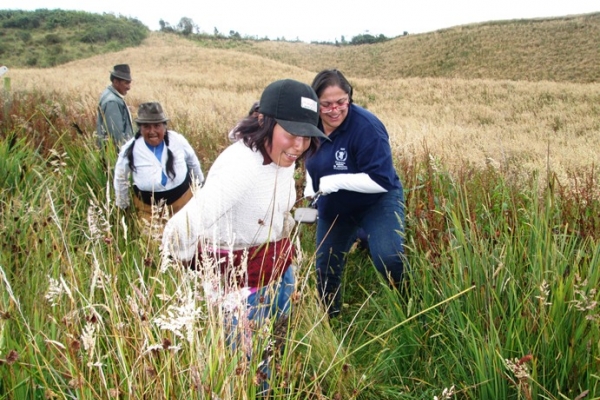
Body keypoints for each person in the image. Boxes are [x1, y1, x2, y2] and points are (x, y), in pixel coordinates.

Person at [161, 79, 326, 350]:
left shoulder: (281, 157)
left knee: (278, 350)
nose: (299, 146)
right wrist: (206, 271)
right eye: (291, 133)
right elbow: (178, 231)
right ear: (264, 122)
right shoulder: (241, 166)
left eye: (307, 136)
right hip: (242, 292)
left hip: (280, 273)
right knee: (252, 372)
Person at [304, 69, 407, 317]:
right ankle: (330, 320)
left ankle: (408, 308)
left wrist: (337, 180)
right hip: (336, 206)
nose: (334, 110)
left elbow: (381, 179)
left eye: (341, 102)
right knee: (325, 265)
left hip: (377, 202)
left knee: (388, 257)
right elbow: (307, 155)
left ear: (349, 97)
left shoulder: (367, 127)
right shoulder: (309, 125)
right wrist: (310, 181)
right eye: (326, 104)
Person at [114, 102, 204, 228]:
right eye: (146, 127)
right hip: (148, 210)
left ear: (164, 126)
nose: (152, 131)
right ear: (140, 128)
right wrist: (123, 206)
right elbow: (120, 178)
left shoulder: (177, 141)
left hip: (183, 204)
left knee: (185, 240)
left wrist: (200, 187)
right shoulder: (130, 149)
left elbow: (193, 162)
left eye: (157, 126)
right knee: (153, 245)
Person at [97, 64, 134, 147]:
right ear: (116, 82)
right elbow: (117, 136)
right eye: (126, 83)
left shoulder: (110, 95)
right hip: (116, 154)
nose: (129, 87)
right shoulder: (112, 102)